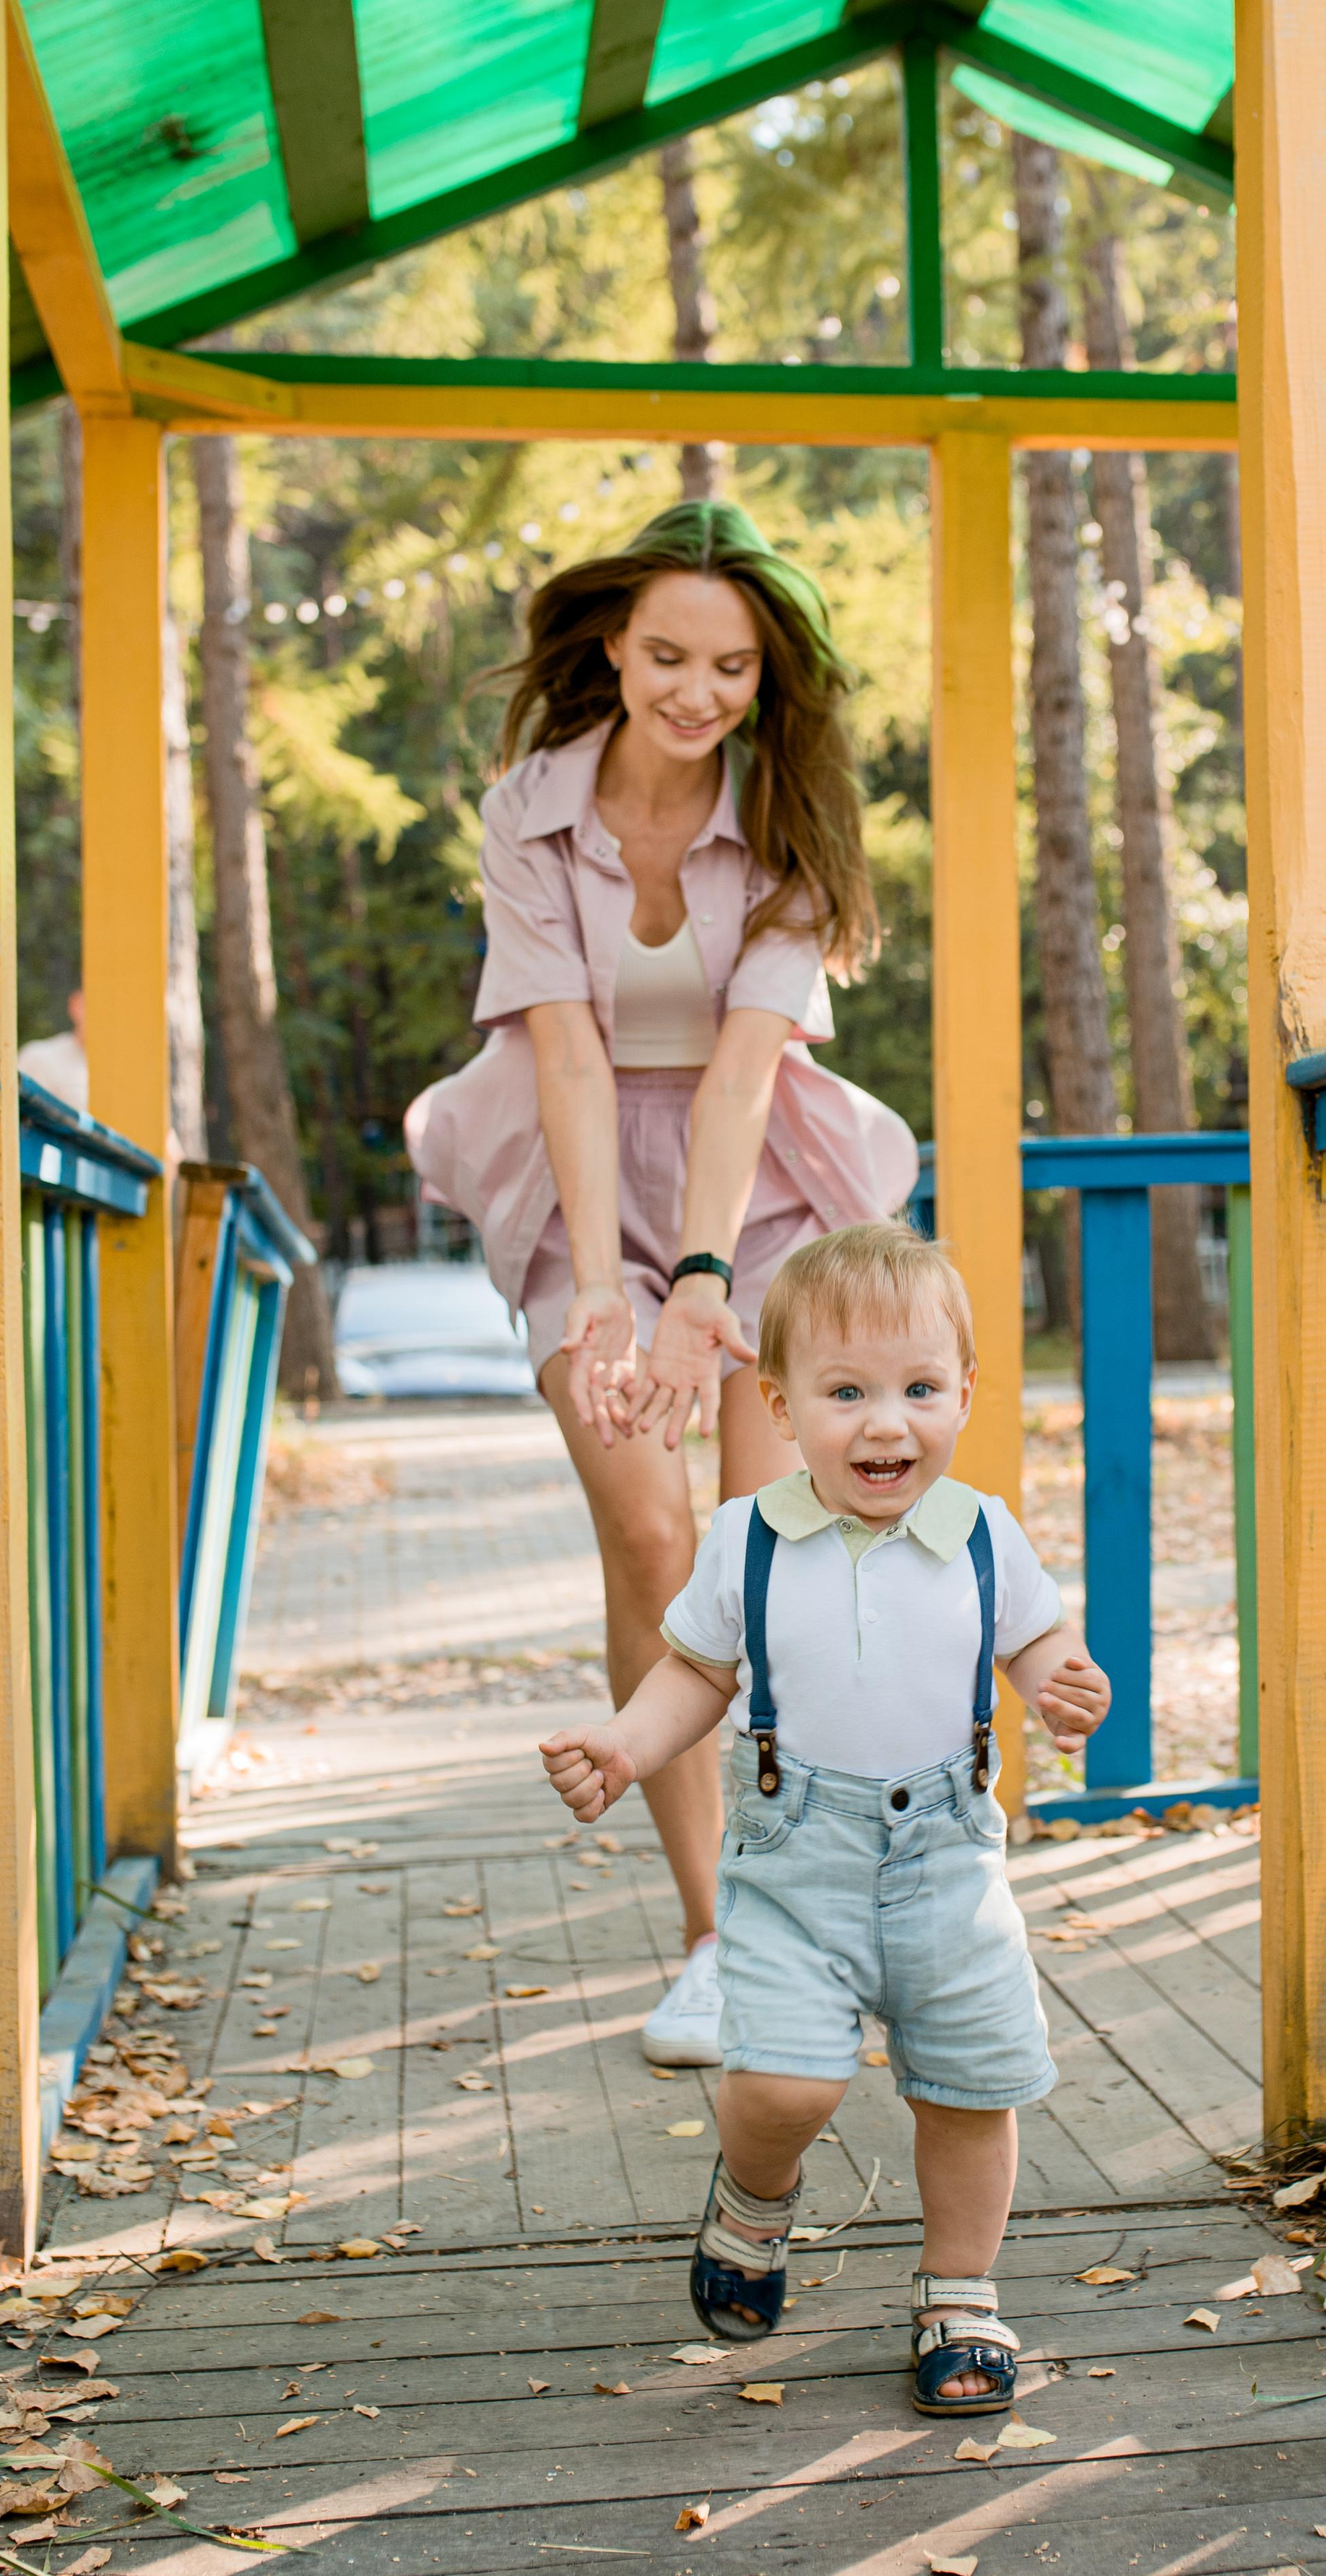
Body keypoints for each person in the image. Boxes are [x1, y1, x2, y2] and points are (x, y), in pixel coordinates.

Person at [409, 503, 916, 2069]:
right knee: (649, 1531)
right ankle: (710, 1940)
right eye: (669, 657)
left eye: (733, 667)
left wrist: (699, 1286)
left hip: (749, 1190)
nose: (697, 693)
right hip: (572, 1180)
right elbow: (561, 1045)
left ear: (766, 678)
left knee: (771, 1553)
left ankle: (800, 1914)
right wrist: (605, 1297)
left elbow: (740, 1078)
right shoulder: (530, 807)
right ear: (615, 648)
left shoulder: (787, 824)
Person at [538, 1223, 1111, 2412]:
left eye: (917, 1389)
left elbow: (1040, 1640)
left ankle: (960, 2291)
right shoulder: (750, 1536)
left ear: (964, 1393)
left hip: (947, 1863)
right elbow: (694, 1673)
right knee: (787, 2082)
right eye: (845, 1392)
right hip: (794, 1862)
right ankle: (754, 2193)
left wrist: (1065, 1680)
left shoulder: (983, 1533)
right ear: (782, 1403)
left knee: (967, 2089)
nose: (885, 1423)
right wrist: (626, 1745)